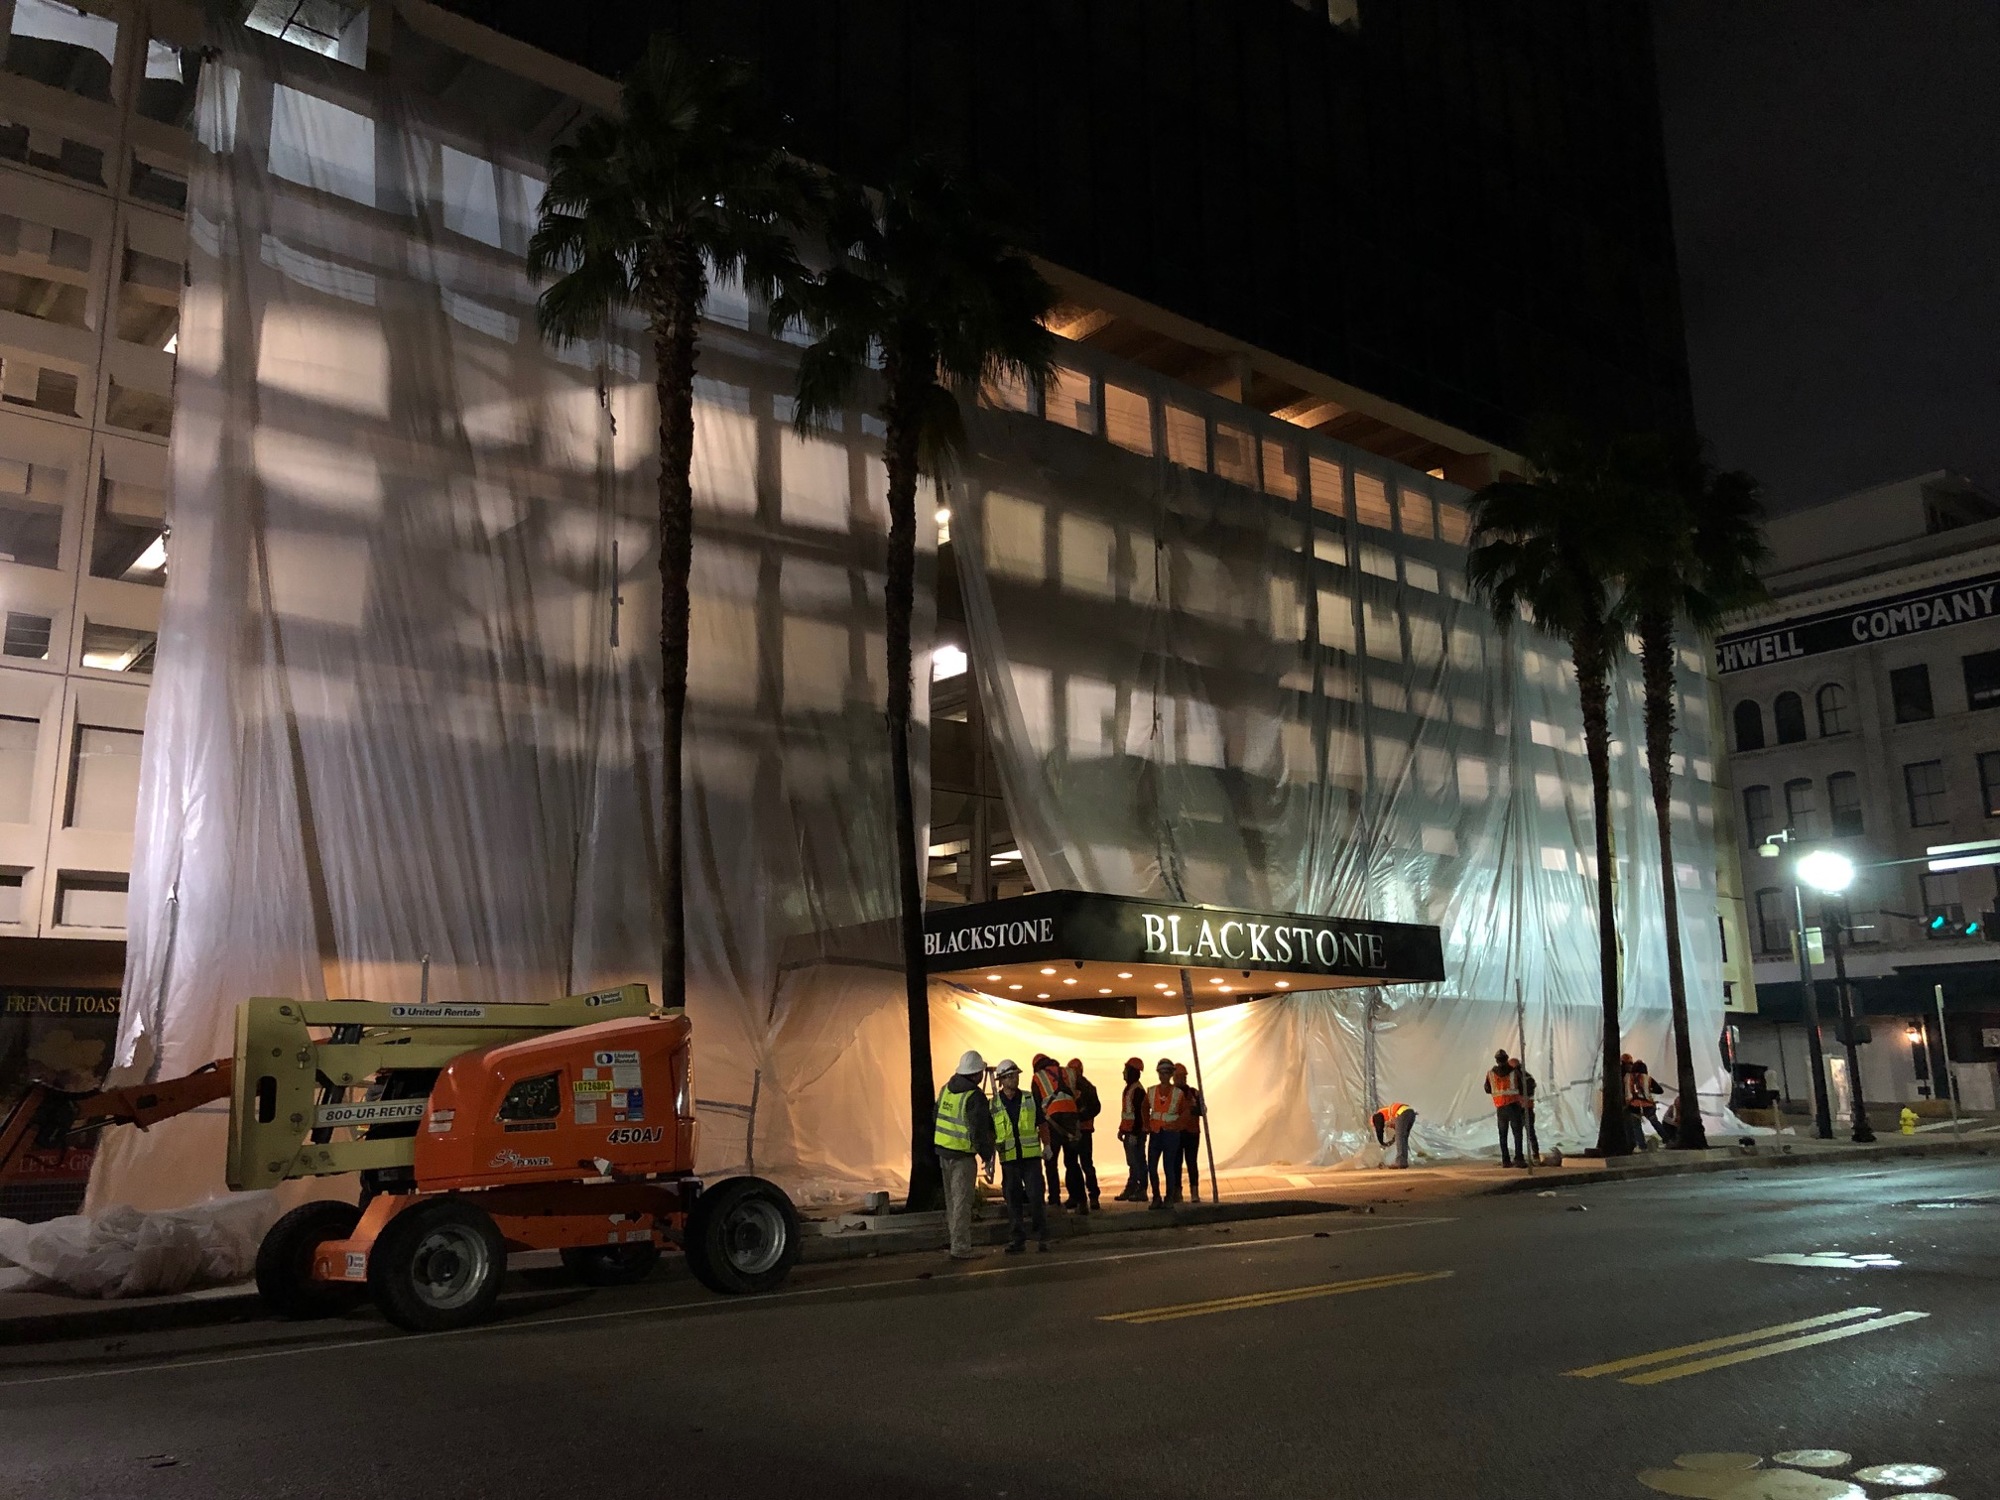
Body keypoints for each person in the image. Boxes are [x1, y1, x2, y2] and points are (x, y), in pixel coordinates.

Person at [933, 1049, 996, 1260]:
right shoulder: (975, 1097)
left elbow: (936, 1116)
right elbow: (978, 1131)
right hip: (962, 1157)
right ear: (977, 1073)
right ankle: (960, 1247)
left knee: (952, 1202)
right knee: (962, 1202)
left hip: (943, 1152)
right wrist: (987, 1156)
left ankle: (955, 1241)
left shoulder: (946, 1090)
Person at [990, 1059, 1049, 1253]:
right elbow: (990, 1132)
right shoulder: (994, 1105)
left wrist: (1047, 1145)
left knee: (1036, 1197)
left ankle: (1042, 1236)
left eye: (1015, 1075)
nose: (1014, 1079)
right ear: (1001, 1080)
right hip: (1009, 1160)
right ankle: (1018, 1239)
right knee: (1013, 1199)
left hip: (1031, 1158)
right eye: (1009, 1077)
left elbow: (1042, 1123)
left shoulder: (1029, 1098)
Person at [1032, 1053, 1081, 1208]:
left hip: (1052, 1120)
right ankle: (1079, 1198)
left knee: (1051, 1161)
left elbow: (1036, 1105)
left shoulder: (1038, 1077)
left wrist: (1039, 1129)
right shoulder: (1068, 1072)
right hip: (1072, 1118)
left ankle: (1054, 1199)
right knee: (1072, 1161)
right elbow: (1085, 1092)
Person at [1145, 1058, 1187, 1208]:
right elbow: (1145, 1109)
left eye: (1165, 1073)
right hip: (1156, 1133)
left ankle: (1169, 1197)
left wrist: (1176, 1126)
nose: (1163, 1076)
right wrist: (1146, 1126)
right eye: (1160, 1073)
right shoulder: (1151, 1091)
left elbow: (1184, 1113)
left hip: (1170, 1134)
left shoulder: (1178, 1093)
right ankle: (1156, 1197)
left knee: (1169, 1167)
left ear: (1170, 1074)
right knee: (1152, 1166)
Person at [1065, 1058, 1102, 1210]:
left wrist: (1079, 1117)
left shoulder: (1085, 1088)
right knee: (1074, 1164)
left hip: (1080, 1131)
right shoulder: (1082, 1087)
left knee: (1079, 1164)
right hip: (1075, 1131)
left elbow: (1096, 1107)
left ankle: (1089, 1196)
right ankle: (1080, 1196)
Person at [1115, 1057, 1149, 1201]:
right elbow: (1127, 1113)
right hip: (1130, 1132)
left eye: (1126, 1070)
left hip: (1136, 1133)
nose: (1124, 1073)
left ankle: (1140, 1189)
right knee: (1133, 1162)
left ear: (1133, 1072)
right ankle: (1133, 1187)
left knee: (1138, 1161)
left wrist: (1134, 1133)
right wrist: (1122, 1129)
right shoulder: (1130, 1089)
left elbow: (1138, 1115)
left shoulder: (1137, 1090)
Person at [1485, 1048, 1525, 1167]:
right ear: (1507, 1059)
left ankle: (1505, 1160)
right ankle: (1519, 1159)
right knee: (1517, 1134)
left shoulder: (1491, 1074)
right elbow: (1522, 1088)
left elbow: (1487, 1089)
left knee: (1503, 1135)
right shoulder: (1514, 1072)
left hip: (1500, 1108)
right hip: (1513, 1106)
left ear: (1496, 1060)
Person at [1174, 1062, 1205, 1201]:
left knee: (1191, 1162)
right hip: (1177, 1133)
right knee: (1176, 1163)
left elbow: (1203, 1110)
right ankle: (1177, 1191)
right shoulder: (1170, 1094)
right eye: (1178, 1076)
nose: (1180, 1079)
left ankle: (1194, 1191)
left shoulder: (1194, 1093)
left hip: (1192, 1133)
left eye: (1182, 1076)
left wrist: (1192, 1110)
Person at [1371, 1100, 1416, 1168]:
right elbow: (1398, 1131)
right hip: (1410, 1113)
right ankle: (1403, 1161)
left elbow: (1380, 1130)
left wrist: (1382, 1142)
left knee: (1400, 1138)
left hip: (1402, 1113)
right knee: (1403, 1137)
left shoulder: (1378, 1116)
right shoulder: (1385, 1115)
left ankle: (1400, 1162)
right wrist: (1390, 1142)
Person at [1513, 1056, 1540, 1164]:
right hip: (1522, 1108)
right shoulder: (1526, 1077)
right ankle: (1528, 1156)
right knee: (1524, 1133)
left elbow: (1528, 1091)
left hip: (1524, 1108)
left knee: (1528, 1133)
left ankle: (1534, 1155)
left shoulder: (1523, 1078)